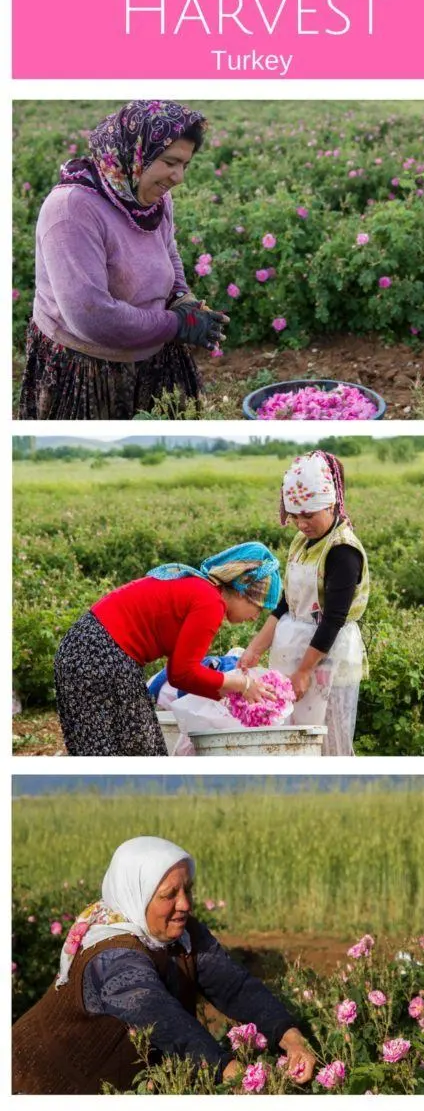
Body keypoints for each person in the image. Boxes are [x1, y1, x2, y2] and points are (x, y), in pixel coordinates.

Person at [12, 836, 316, 1095]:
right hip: (36, 1081)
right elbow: (161, 1017)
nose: (184, 904)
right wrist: (231, 1073)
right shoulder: (110, 957)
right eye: (169, 895)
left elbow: (234, 987)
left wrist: (291, 1038)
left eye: (188, 889)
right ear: (137, 896)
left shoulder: (183, 935)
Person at [18, 99, 228, 420]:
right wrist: (177, 325)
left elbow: (166, 248)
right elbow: (93, 317)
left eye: (184, 165)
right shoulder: (72, 210)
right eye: (170, 162)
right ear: (133, 153)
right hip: (87, 367)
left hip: (153, 348)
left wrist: (182, 299)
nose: (178, 177)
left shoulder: (151, 196)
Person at [53, 543, 282, 756]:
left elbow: (180, 672)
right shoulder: (209, 602)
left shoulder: (199, 589)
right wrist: (242, 685)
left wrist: (229, 691)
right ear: (242, 591)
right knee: (136, 751)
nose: (254, 618)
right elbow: (182, 674)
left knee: (104, 748)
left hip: (84, 648)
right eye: (258, 609)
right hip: (101, 655)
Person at [240, 451, 369, 755]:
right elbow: (288, 603)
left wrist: (304, 671)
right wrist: (255, 649)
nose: (301, 524)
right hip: (293, 648)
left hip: (328, 656)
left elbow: (333, 619)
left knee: (327, 740)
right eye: (295, 516)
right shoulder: (301, 541)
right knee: (291, 739)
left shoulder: (342, 551)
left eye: (308, 515)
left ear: (331, 504)